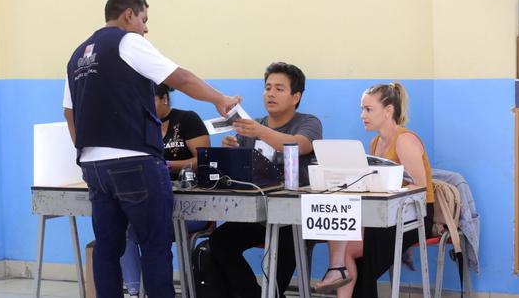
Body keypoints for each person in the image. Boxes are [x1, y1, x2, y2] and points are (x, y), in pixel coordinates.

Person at [63, 0, 240, 298]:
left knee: (107, 248)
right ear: (128, 15)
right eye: (144, 19)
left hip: (93, 166)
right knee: (155, 245)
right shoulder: (127, 41)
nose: (146, 28)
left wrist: (86, 153)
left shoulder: (77, 55)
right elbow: (180, 78)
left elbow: (69, 112)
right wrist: (219, 99)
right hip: (134, 162)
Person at [208, 62, 323, 298]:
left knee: (284, 254)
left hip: (294, 218)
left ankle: (272, 293)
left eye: (279, 89)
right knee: (219, 242)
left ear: (296, 96)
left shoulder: (308, 122)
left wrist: (260, 132)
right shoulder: (254, 126)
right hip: (258, 215)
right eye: (268, 87)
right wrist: (231, 150)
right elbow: (241, 173)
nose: (271, 93)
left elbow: (299, 145)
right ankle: (253, 293)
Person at [334, 82, 435, 298]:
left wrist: (386, 188)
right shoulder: (375, 143)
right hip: (383, 213)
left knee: (348, 253)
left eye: (368, 109)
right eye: (362, 109)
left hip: (413, 214)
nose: (363, 115)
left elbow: (420, 187)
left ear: (388, 111)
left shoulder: (405, 140)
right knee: (342, 243)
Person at [119, 83, 211, 297]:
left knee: (146, 229)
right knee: (125, 230)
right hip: (151, 199)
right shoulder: (139, 124)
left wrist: (169, 166)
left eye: (148, 100)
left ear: (164, 99)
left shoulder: (187, 120)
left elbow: (204, 159)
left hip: (190, 206)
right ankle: (135, 290)